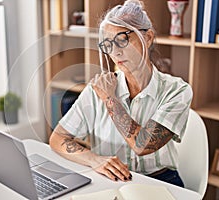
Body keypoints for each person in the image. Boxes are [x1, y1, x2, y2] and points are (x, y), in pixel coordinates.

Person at [49, 0, 192, 188]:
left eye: (122, 39)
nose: (115, 52)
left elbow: (142, 145)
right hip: (110, 179)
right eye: (108, 44)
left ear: (147, 37)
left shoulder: (177, 91)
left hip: (160, 181)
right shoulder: (97, 89)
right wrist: (94, 160)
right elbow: (57, 139)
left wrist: (110, 99)